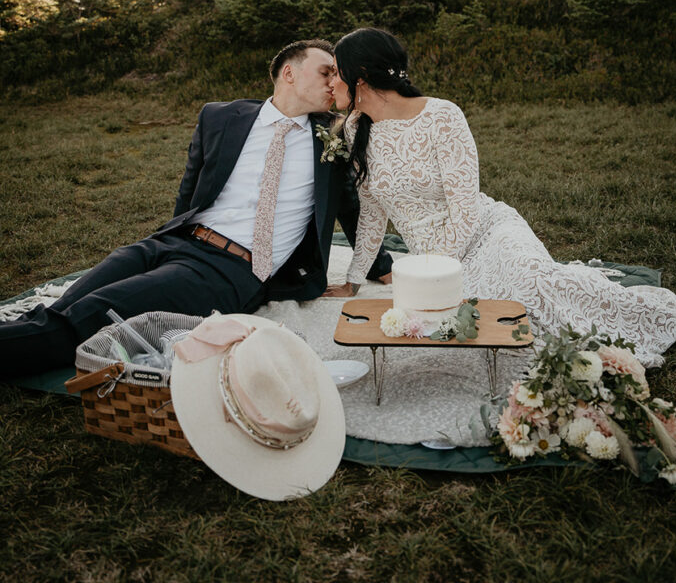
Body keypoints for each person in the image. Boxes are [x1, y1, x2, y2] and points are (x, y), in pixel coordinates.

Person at [0, 39, 392, 380]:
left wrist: (382, 268)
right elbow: (189, 192)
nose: (333, 83)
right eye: (326, 71)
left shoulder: (335, 138)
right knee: (63, 304)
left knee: (89, 318)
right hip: (171, 244)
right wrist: (168, 243)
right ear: (288, 73)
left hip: (229, 269)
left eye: (336, 75)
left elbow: (353, 209)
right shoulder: (221, 117)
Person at [324, 28, 676, 368]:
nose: (331, 82)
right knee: (492, 322)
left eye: (336, 72)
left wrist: (435, 273)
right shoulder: (356, 128)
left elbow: (464, 209)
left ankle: (663, 311)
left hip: (486, 233)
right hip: (434, 262)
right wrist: (353, 281)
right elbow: (372, 213)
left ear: (361, 76)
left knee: (533, 283)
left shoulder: (442, 116)